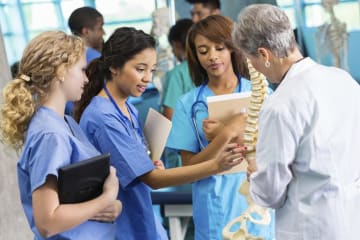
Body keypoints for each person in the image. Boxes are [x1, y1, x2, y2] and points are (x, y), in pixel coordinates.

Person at [73, 27, 244, 240]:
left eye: (151, 71)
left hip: (142, 218)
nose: (147, 79)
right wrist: (216, 165)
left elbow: (137, 167)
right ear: (115, 66)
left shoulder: (128, 108)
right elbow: (153, 180)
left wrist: (147, 162)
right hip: (121, 225)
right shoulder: (103, 118)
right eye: (140, 69)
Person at [233, 4, 360, 240]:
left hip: (309, 228)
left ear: (264, 54)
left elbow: (271, 193)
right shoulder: (344, 81)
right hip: (352, 223)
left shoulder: (280, 104)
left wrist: (256, 176)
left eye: (252, 61)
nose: (256, 69)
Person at [0, 31, 122, 239]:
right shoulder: (50, 134)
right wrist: (107, 198)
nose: (86, 79)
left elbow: (79, 197)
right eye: (82, 70)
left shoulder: (65, 122)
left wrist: (112, 206)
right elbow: (48, 222)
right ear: (61, 71)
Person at [165, 15, 274, 240]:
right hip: (214, 206)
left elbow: (275, 149)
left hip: (257, 200)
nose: (212, 57)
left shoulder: (261, 93)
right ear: (195, 55)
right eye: (203, 51)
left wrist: (228, 131)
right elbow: (188, 168)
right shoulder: (188, 104)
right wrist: (226, 134)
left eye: (219, 48)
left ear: (233, 49)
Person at [162, 18, 194, 120]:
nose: (172, 51)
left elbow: (169, 116)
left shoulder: (177, 74)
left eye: (173, 47)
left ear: (176, 44)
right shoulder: (208, 68)